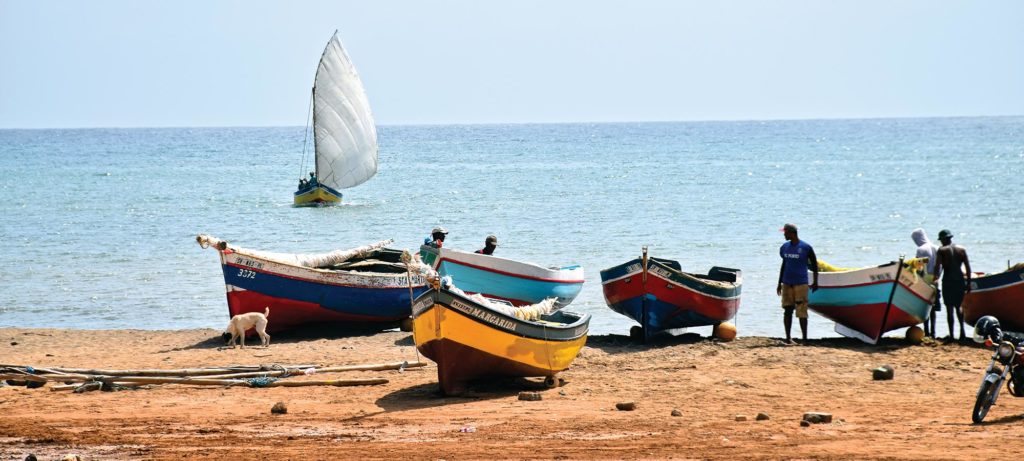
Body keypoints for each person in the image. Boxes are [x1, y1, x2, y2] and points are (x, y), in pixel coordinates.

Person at [776, 223, 818, 344]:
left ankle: (804, 339)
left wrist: (815, 282)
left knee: (802, 310)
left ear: (792, 233)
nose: (784, 234)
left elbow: (814, 265)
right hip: (787, 283)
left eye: (785, 232)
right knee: (787, 310)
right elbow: (784, 264)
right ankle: (788, 338)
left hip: (801, 283)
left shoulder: (806, 247)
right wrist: (779, 282)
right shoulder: (784, 247)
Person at [935, 229, 971, 342]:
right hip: (960, 280)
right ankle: (963, 334)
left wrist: (935, 279)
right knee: (959, 307)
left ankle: (951, 336)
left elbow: (937, 267)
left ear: (944, 239)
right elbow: (968, 268)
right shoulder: (961, 249)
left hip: (948, 281)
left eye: (941, 240)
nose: (940, 242)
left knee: (949, 308)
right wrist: (968, 283)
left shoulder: (942, 250)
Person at [911, 228, 941, 338]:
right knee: (933, 308)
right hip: (936, 279)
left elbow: (919, 267)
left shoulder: (921, 249)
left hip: (925, 280)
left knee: (925, 306)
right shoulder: (937, 248)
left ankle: (926, 331)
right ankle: (933, 333)